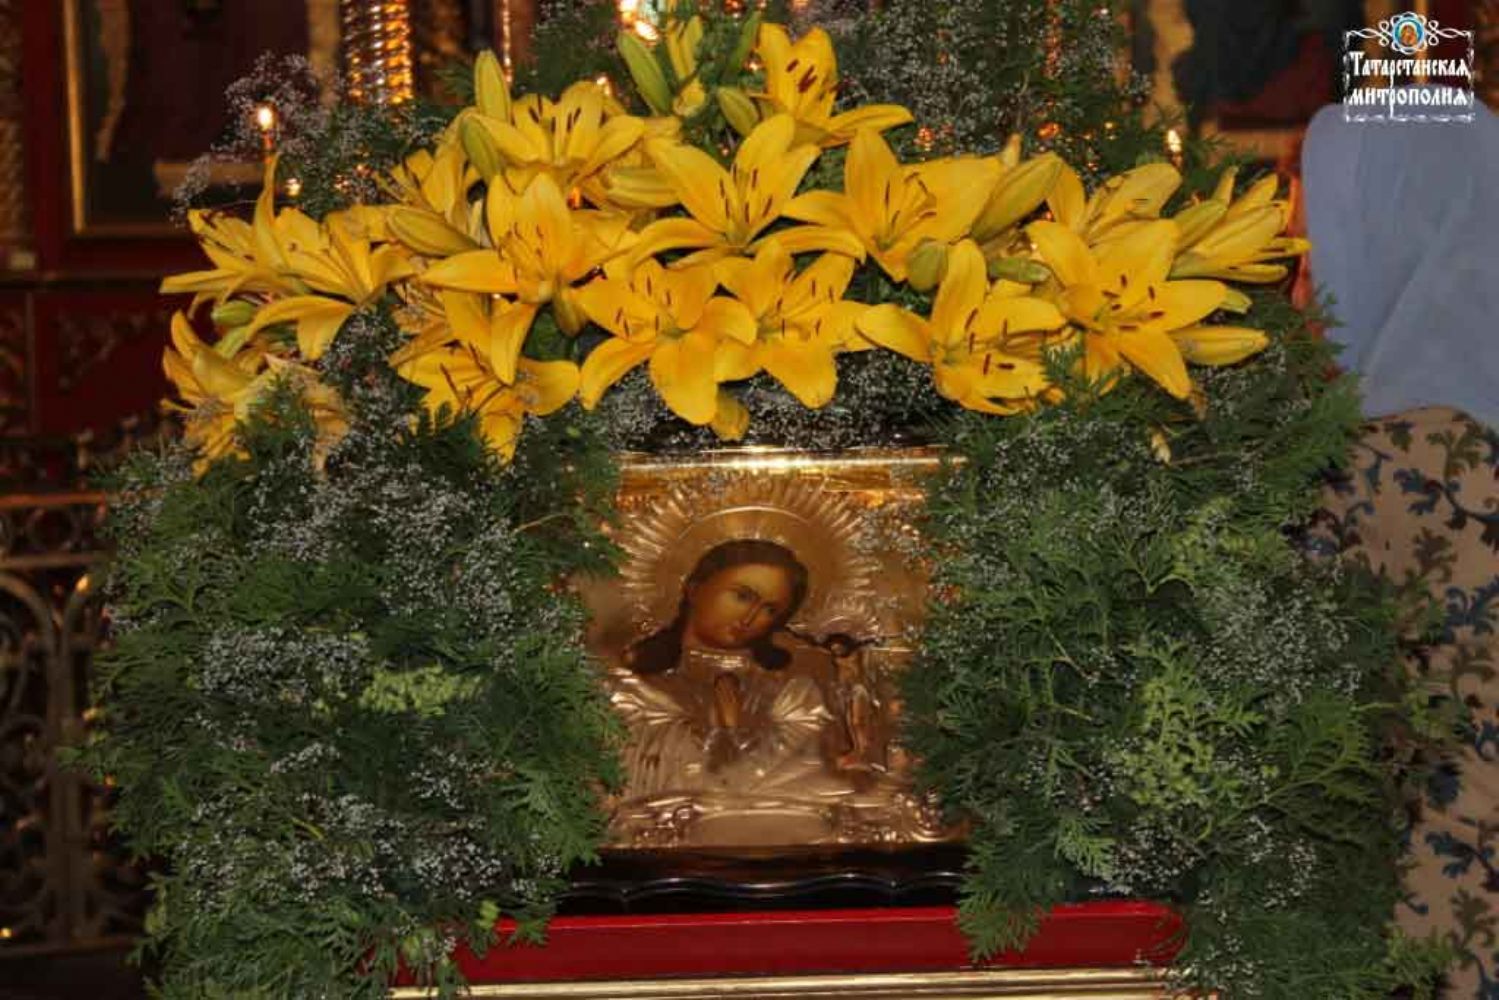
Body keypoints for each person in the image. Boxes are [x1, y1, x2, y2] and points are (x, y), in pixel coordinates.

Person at [606, 539, 878, 846]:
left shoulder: (795, 695)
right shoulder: (635, 691)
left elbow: (828, 782)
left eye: (770, 609)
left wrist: (732, 737)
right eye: (742, 596)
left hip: (787, 841)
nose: (749, 618)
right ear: (694, 589)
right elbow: (637, 784)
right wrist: (721, 735)